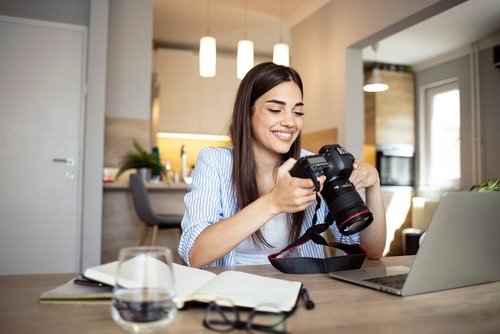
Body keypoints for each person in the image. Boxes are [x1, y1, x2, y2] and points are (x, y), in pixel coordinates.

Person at [178, 62, 386, 268]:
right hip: (233, 292)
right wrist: (273, 203)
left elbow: (373, 252)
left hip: (302, 290)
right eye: (276, 110)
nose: (290, 122)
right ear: (247, 112)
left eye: (298, 112)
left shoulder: (314, 165)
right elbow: (195, 254)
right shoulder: (215, 162)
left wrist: (374, 185)